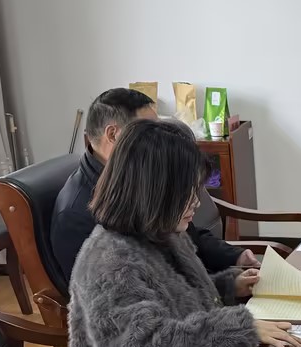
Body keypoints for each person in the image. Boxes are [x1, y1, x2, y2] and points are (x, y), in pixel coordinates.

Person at [68, 118, 301, 347]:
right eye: (186, 191)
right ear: (152, 192)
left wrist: (229, 286)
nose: (196, 201)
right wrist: (239, 328)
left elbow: (177, 301)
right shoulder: (109, 262)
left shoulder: (162, 231)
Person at [52, 87, 257, 293]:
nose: (159, 137)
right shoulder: (75, 214)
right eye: (148, 130)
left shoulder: (141, 177)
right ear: (113, 134)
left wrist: (234, 258)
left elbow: (188, 236)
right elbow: (116, 296)